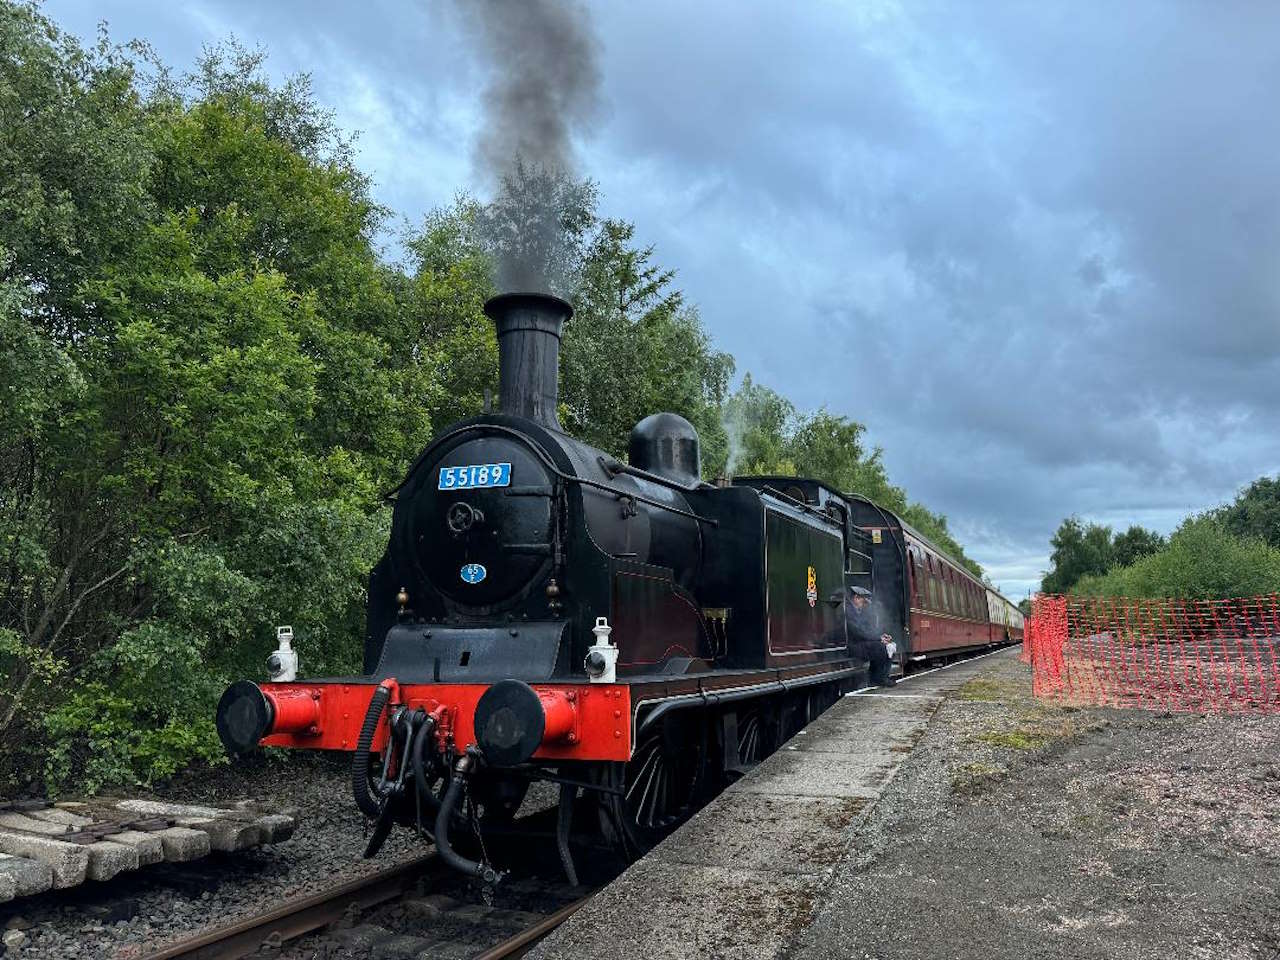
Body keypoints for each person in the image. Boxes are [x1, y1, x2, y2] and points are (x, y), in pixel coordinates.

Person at [830, 585, 896, 687]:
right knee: (880, 648)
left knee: (889, 645)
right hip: (851, 645)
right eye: (862, 600)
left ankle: (882, 677)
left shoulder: (856, 610)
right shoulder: (847, 610)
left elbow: (866, 629)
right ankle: (878, 678)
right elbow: (858, 631)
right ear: (856, 598)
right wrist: (878, 639)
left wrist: (880, 636)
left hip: (857, 643)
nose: (864, 603)